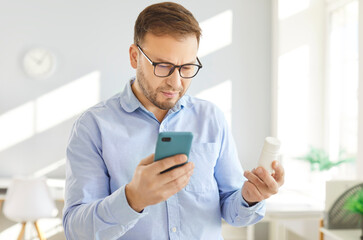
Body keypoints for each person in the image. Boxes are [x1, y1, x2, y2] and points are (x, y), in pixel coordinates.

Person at [62, 2, 285, 239]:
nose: (176, 83)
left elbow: (232, 211)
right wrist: (132, 199)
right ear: (135, 56)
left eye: (187, 67)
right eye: (163, 66)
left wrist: (250, 197)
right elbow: (77, 231)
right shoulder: (93, 126)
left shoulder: (211, 119)